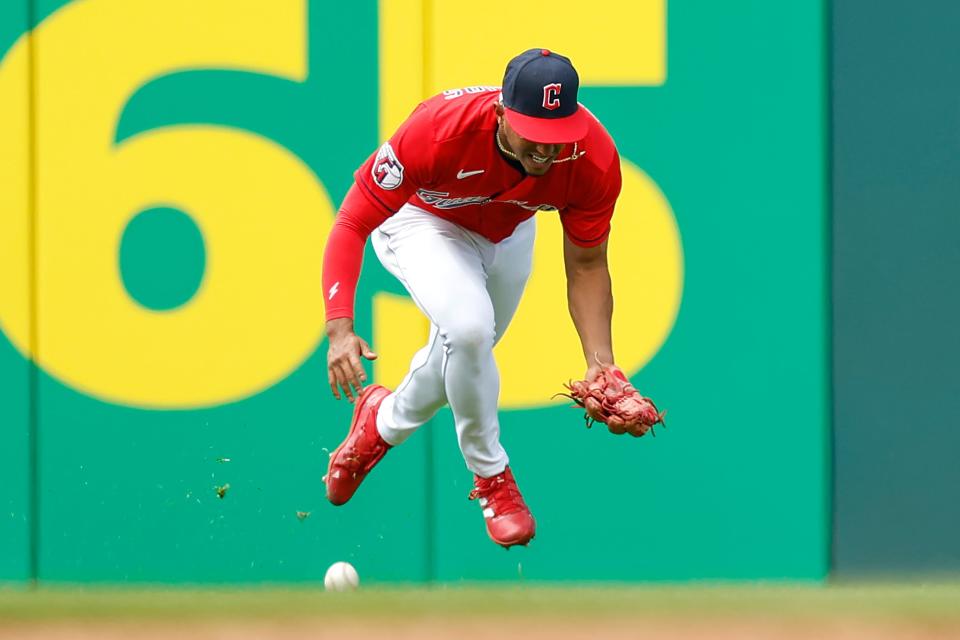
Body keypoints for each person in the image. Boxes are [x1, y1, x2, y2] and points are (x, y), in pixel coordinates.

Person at [321, 48, 623, 548]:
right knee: (468, 330)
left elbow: (588, 263)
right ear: (501, 112)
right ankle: (493, 477)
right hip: (422, 221)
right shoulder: (440, 130)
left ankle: (382, 422)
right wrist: (339, 327)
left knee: (465, 357)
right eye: (535, 136)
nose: (547, 153)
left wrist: (602, 363)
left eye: (558, 138)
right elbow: (352, 221)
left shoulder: (591, 157)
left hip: (507, 231)